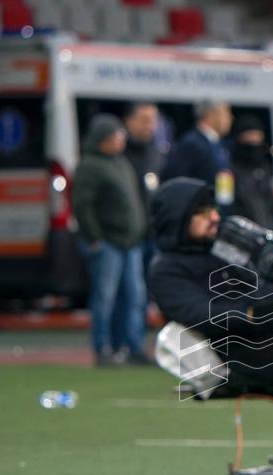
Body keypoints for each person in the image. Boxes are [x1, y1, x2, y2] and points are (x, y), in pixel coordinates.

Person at [148, 177, 273, 389]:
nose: (214, 217)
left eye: (214, 209)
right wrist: (258, 310)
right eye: (203, 212)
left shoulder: (224, 241)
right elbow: (203, 315)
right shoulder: (166, 269)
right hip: (240, 347)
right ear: (177, 217)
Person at [71, 114, 148, 367]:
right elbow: (83, 205)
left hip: (130, 241)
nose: (121, 139)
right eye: (117, 135)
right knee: (105, 298)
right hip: (109, 242)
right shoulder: (90, 166)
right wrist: (94, 237)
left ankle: (132, 346)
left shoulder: (120, 162)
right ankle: (103, 348)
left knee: (134, 297)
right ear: (103, 139)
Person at [111, 102, 164, 358]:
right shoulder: (119, 156)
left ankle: (135, 344)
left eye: (152, 120)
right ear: (128, 121)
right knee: (128, 294)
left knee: (141, 295)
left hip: (151, 234)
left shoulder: (155, 153)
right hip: (127, 236)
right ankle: (123, 344)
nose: (149, 125)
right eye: (144, 119)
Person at [159, 100, 234, 208]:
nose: (230, 118)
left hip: (218, 209)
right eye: (226, 113)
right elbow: (177, 182)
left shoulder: (219, 145)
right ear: (210, 115)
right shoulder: (191, 144)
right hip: (201, 211)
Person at [229, 115, 273, 231]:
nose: (254, 141)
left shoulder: (264, 166)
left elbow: (270, 201)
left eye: (257, 137)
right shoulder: (229, 167)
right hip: (239, 231)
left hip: (264, 229)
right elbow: (226, 202)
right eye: (249, 137)